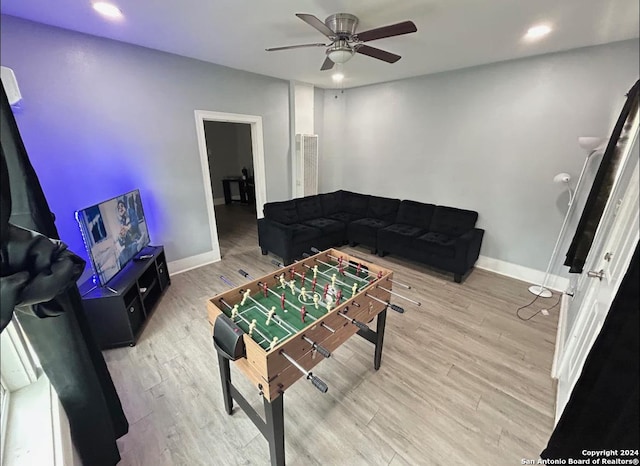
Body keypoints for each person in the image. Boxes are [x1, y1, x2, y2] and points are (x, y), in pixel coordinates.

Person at [116, 198, 140, 267]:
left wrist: (128, 227)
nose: (120, 209)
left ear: (125, 207)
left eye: (122, 206)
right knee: (121, 257)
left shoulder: (130, 212)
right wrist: (121, 237)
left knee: (133, 250)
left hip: (135, 241)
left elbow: (135, 224)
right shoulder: (121, 222)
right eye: (118, 208)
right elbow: (121, 243)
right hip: (127, 246)